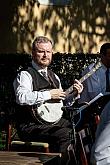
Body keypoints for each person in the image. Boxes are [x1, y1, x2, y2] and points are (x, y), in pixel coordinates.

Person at [13, 36, 83, 164]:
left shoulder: (54, 77)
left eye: (48, 52)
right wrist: (48, 94)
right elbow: (21, 98)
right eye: (41, 51)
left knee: (79, 129)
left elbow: (61, 104)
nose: (45, 55)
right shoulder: (25, 74)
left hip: (53, 122)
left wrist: (74, 94)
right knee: (66, 134)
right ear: (33, 54)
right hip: (30, 126)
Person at [78, 43, 110, 164]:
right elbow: (95, 95)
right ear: (101, 55)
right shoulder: (92, 70)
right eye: (109, 56)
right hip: (89, 110)